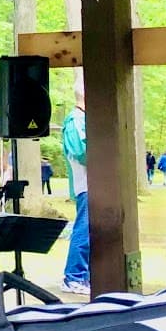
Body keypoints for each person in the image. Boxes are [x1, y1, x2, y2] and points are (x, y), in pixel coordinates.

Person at [60, 89, 90, 295]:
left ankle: (83, 275)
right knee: (83, 231)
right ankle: (73, 277)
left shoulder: (83, 120)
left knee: (91, 232)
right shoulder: (75, 121)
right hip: (86, 185)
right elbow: (81, 153)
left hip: (95, 184)